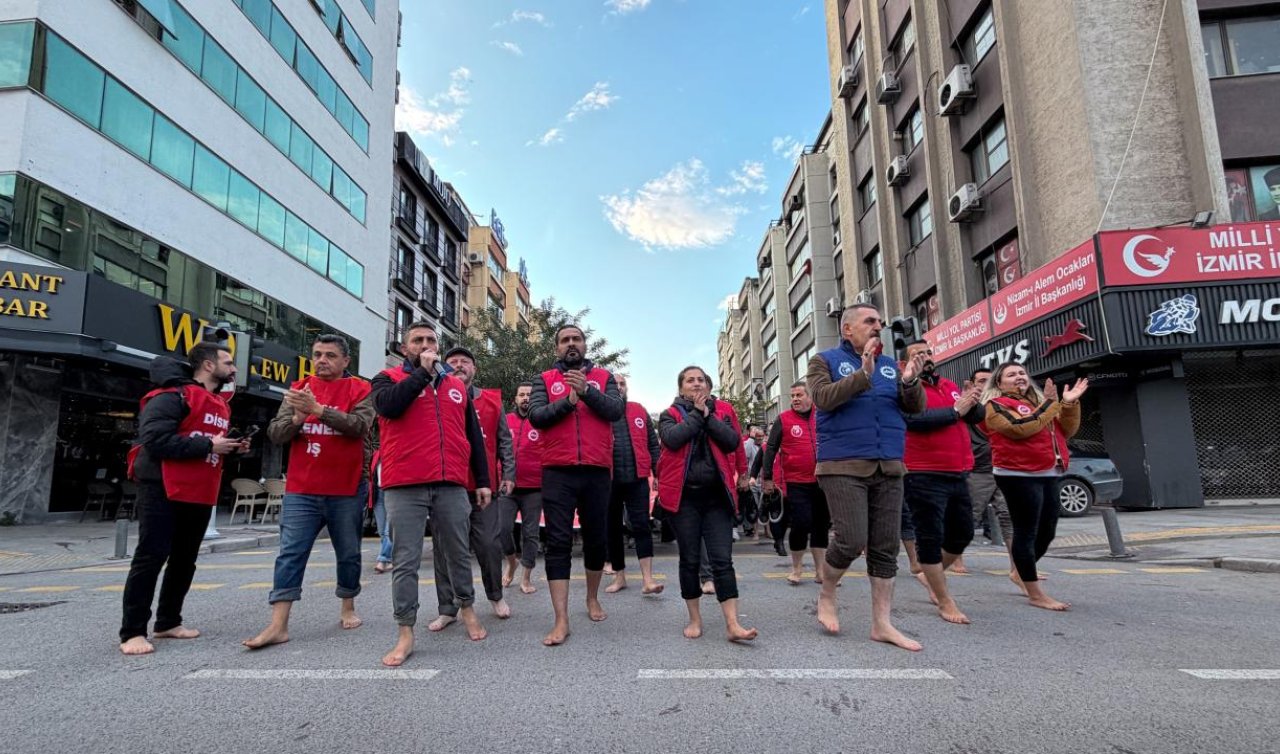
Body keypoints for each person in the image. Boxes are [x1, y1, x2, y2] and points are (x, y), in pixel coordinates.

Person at [806, 304, 926, 651]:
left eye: (880, 322)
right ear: (847, 329)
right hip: (843, 465)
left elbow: (915, 408)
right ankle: (828, 593)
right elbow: (823, 399)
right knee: (850, 540)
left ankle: (882, 623)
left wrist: (910, 381)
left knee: (886, 546)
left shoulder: (891, 365)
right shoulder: (824, 361)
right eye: (870, 321)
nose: (877, 326)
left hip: (889, 464)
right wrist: (862, 375)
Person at [373, 322, 492, 666]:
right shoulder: (386, 379)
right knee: (406, 560)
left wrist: (482, 480)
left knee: (458, 552)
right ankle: (405, 630)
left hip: (450, 482)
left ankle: (467, 609)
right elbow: (389, 407)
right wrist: (422, 375)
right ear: (404, 347)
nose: (425, 345)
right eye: (418, 340)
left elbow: (473, 436)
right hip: (404, 483)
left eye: (431, 340)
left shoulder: (456, 386)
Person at [243, 335, 374, 649]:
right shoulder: (298, 390)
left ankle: (348, 606)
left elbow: (360, 426)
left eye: (330, 355)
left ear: (345, 361)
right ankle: (278, 624)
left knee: (348, 552)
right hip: (302, 489)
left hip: (347, 487)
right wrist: (298, 419)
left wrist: (319, 410)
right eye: (317, 354)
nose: (322, 360)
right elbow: (276, 433)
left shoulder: (361, 389)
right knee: (291, 553)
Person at [119, 343, 245, 655]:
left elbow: (207, 443)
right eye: (228, 362)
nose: (233, 369)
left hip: (198, 489)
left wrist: (231, 448)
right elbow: (155, 440)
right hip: (163, 487)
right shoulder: (171, 396)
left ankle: (168, 622)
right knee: (150, 557)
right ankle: (132, 632)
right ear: (207, 365)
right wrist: (209, 446)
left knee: (184, 559)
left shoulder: (220, 404)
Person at [527, 325, 625, 646]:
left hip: (597, 471)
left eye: (576, 339)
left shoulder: (604, 378)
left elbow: (616, 410)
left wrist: (586, 391)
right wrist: (569, 401)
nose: (571, 344)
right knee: (558, 542)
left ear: (584, 345)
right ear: (557, 348)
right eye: (565, 340)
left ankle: (592, 598)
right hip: (557, 471)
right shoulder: (544, 380)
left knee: (596, 540)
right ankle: (561, 619)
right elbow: (537, 416)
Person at [656, 366, 758, 642]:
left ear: (709, 386)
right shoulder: (669, 415)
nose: (696, 384)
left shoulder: (720, 413)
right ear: (681, 388)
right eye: (690, 380)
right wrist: (696, 414)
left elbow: (731, 441)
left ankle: (733, 624)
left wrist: (708, 416)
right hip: (684, 500)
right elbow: (673, 439)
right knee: (689, 560)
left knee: (722, 561)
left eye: (701, 380)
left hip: (717, 498)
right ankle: (695, 619)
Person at [981, 364, 1087, 611]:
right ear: (999, 383)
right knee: (1026, 531)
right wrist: (1050, 404)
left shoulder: (1040, 403)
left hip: (1049, 471)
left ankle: (1021, 571)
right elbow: (1019, 429)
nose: (1019, 377)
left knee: (1047, 531)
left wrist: (1068, 404)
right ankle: (1035, 593)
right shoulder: (995, 405)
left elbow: (1066, 431)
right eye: (1011, 374)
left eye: (1021, 373)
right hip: (1017, 473)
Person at [428, 346, 517, 630]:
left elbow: (505, 441)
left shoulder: (491, 400)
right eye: (452, 361)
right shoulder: (434, 395)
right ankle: (447, 608)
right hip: (446, 484)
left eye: (464, 361)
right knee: (444, 550)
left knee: (489, 544)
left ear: (474, 369)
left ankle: (495, 595)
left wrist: (508, 473)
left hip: (483, 487)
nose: (458, 365)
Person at [900, 341, 985, 625]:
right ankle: (945, 600)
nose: (925, 357)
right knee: (930, 537)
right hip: (923, 472)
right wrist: (955, 410)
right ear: (906, 363)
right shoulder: (905, 387)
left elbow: (975, 417)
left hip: (958, 470)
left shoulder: (948, 385)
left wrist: (973, 400)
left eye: (928, 353)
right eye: (917, 355)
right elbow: (912, 420)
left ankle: (930, 575)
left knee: (963, 533)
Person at [760, 382, 829, 586]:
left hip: (823, 480)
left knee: (821, 525)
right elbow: (770, 449)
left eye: (799, 395)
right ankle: (797, 569)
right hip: (797, 482)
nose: (795, 399)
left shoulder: (823, 415)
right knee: (801, 523)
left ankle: (821, 571)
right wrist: (767, 477)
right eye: (792, 396)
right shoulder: (783, 419)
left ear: (810, 396)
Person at [604, 374, 663, 595]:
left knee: (641, 526)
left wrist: (658, 473)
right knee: (612, 529)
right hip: (608, 481)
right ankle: (619, 577)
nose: (619, 387)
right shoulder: (600, 411)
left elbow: (653, 445)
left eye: (622, 384)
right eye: (615, 384)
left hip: (638, 479)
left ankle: (648, 579)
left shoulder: (639, 410)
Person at [965, 368, 1016, 579]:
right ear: (973, 383)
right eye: (981, 380)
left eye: (990, 380)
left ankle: (1018, 568)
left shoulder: (1003, 405)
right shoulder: (967, 405)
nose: (986, 384)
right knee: (969, 518)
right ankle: (952, 560)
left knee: (1009, 517)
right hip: (978, 470)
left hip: (1004, 467)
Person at [502, 382, 544, 595]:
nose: (526, 398)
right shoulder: (505, 420)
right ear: (516, 399)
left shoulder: (542, 422)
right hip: (507, 486)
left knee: (531, 534)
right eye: (522, 394)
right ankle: (511, 562)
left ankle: (526, 577)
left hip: (534, 487)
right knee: (501, 529)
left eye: (529, 394)